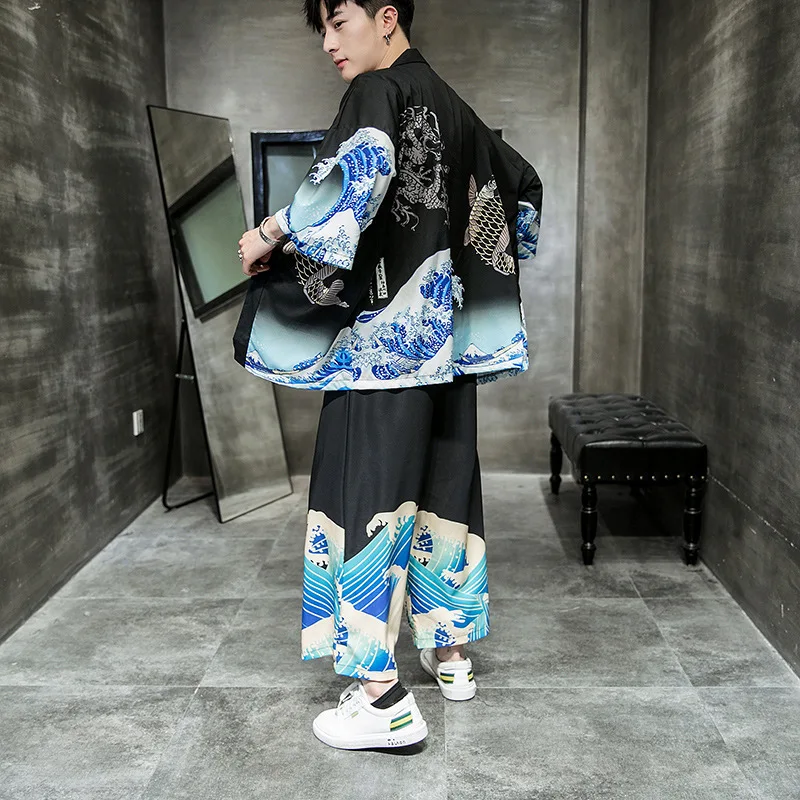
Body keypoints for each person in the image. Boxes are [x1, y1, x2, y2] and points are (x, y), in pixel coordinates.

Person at [233, 0, 542, 751]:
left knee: (363, 501)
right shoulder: (454, 106)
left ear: (387, 18)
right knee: (444, 492)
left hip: (384, 352)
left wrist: (269, 232)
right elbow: (521, 191)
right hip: (447, 352)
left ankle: (382, 700)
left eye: (339, 23)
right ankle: (451, 656)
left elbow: (354, 185)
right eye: (323, 30)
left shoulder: (378, 91)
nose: (329, 43)